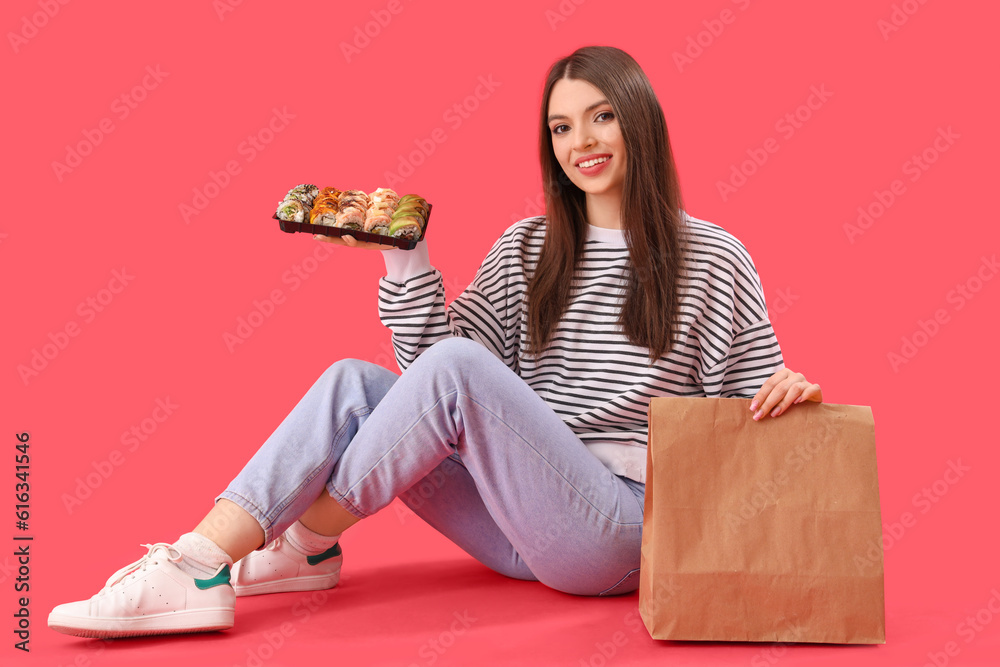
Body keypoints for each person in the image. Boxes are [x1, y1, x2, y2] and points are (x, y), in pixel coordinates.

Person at [48, 45, 822, 639]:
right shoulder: (528, 248)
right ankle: (276, 553)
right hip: (513, 525)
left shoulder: (713, 255)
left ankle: (224, 559)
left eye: (601, 115)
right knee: (356, 381)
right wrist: (405, 260)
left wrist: (790, 393)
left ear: (638, 118)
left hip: (622, 532)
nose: (580, 140)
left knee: (456, 366)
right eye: (561, 125)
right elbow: (427, 389)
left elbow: (750, 403)